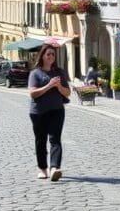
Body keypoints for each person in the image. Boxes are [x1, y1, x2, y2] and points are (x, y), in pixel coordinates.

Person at [28, 43, 70, 182]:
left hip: (57, 110)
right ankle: (42, 168)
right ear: (43, 56)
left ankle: (54, 168)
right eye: (48, 54)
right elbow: (33, 93)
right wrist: (49, 85)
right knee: (41, 141)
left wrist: (58, 87)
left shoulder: (59, 72)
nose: (51, 56)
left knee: (55, 139)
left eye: (53, 54)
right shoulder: (35, 73)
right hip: (38, 112)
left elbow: (67, 93)